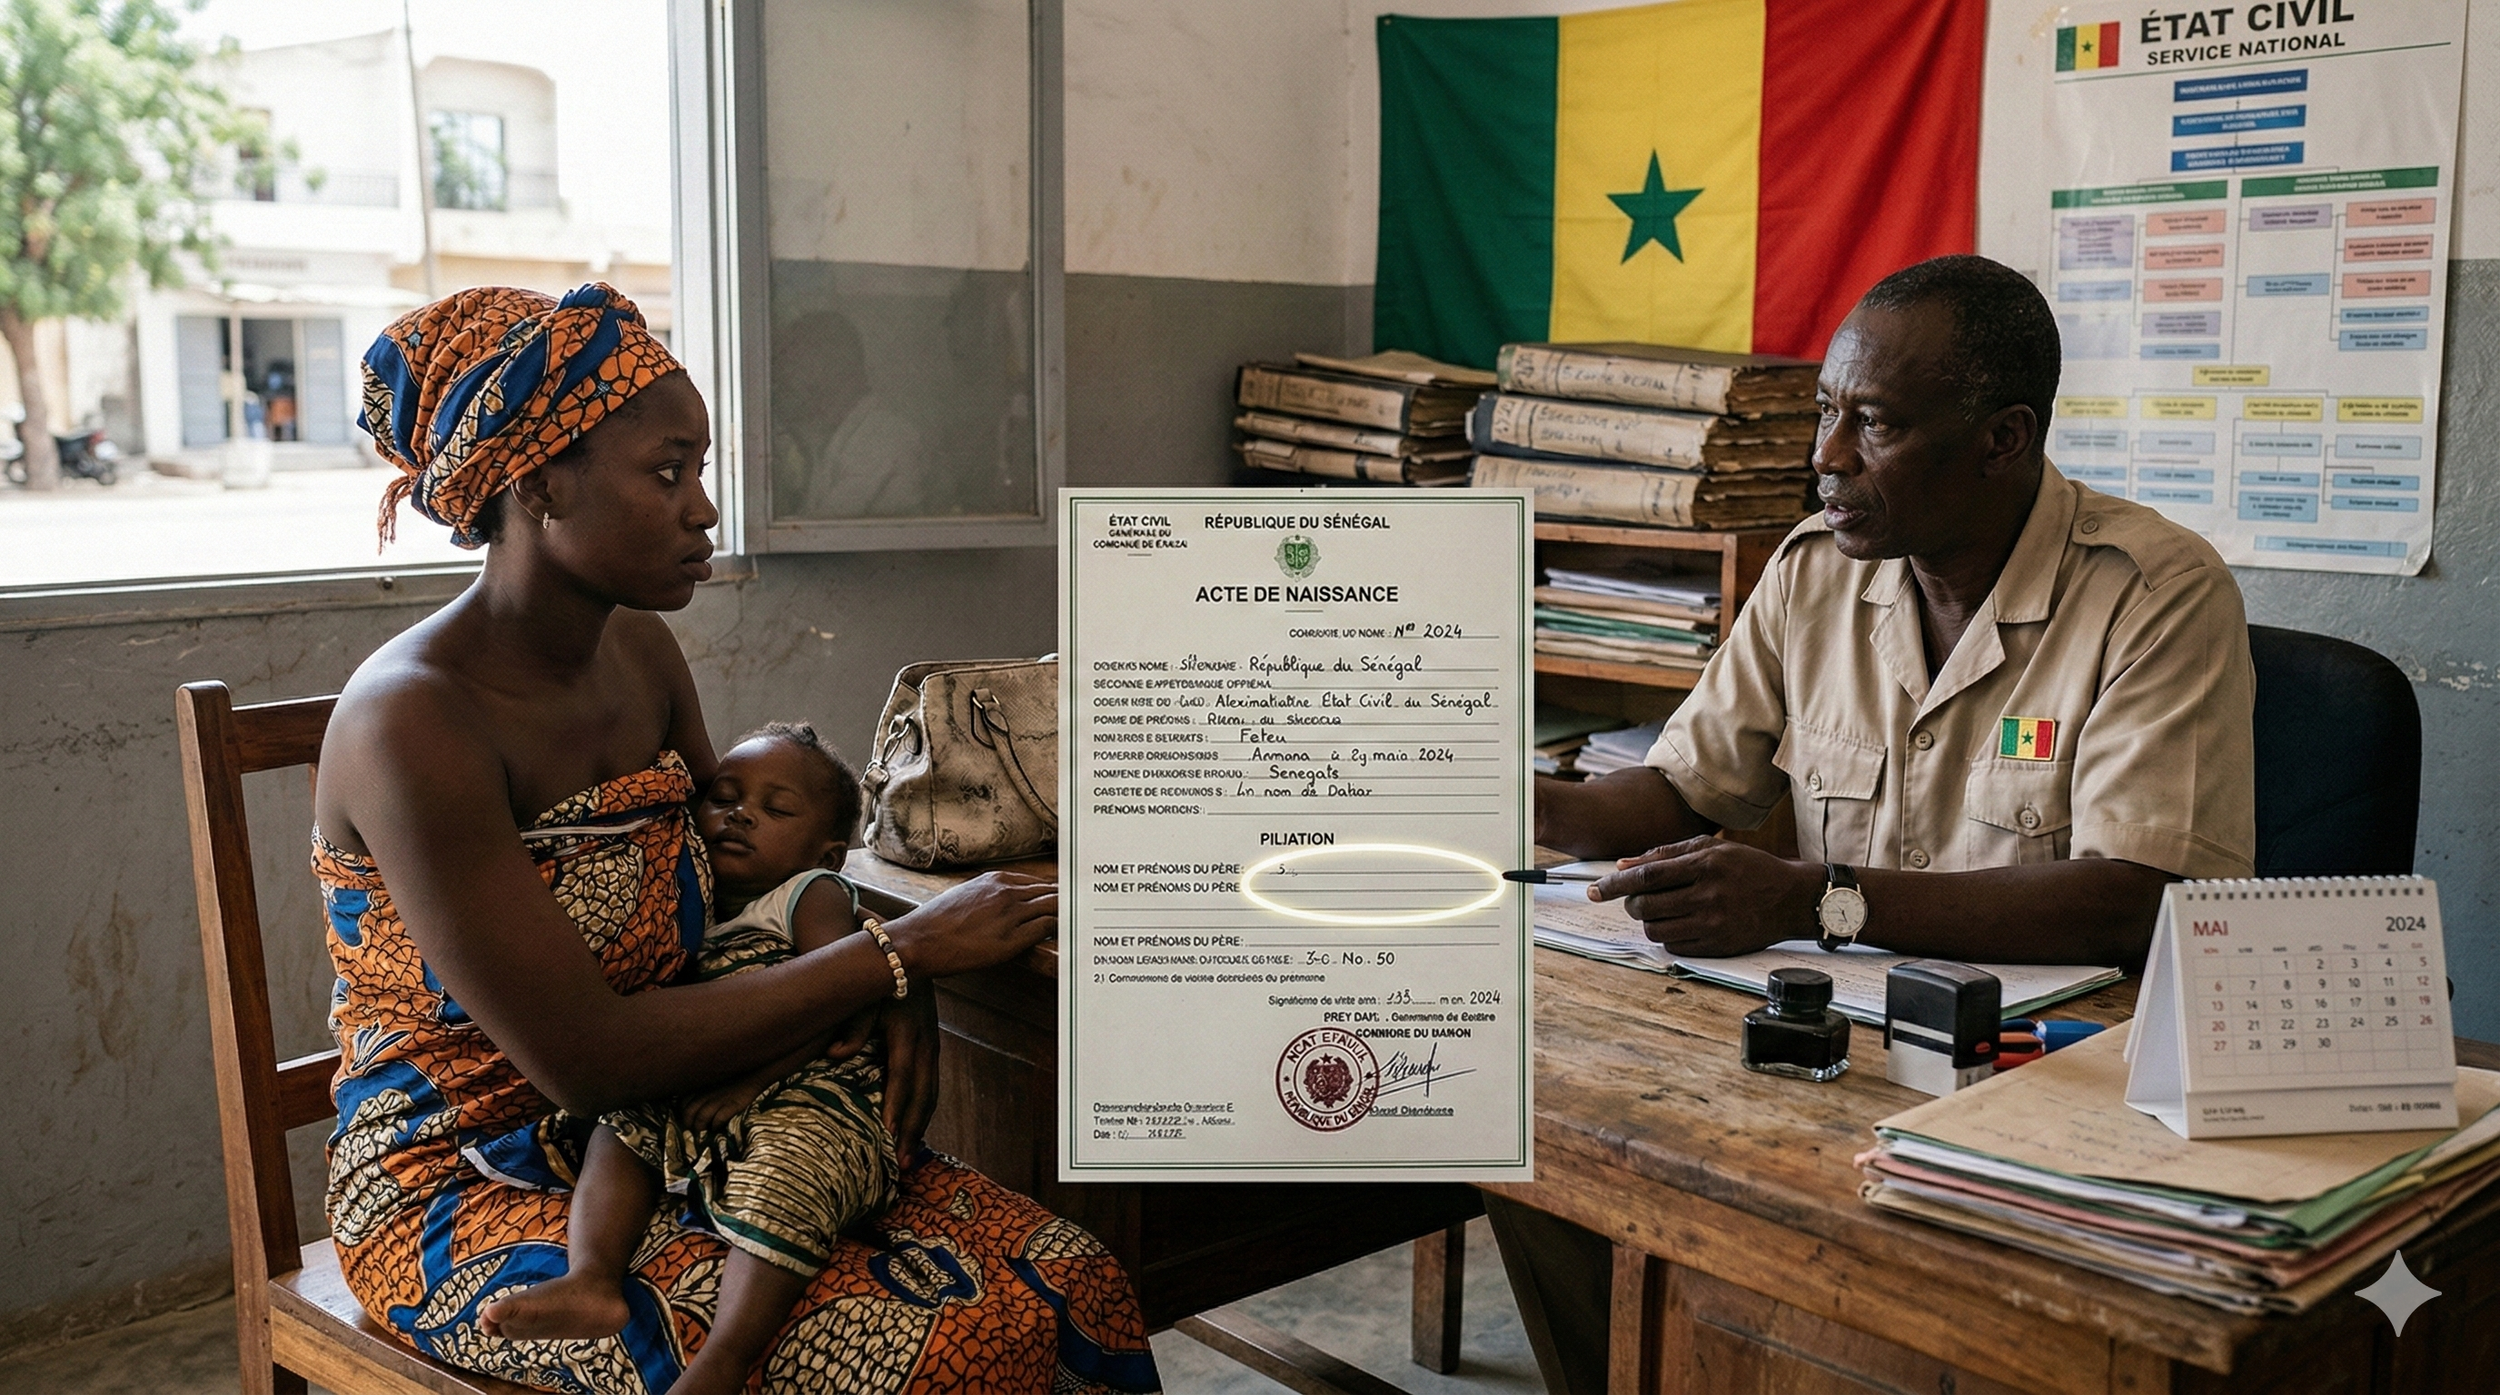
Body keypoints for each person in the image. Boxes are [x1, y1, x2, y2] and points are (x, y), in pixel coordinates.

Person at [313, 283, 1159, 1394]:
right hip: (471, 1173)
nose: (703, 509)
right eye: (666, 474)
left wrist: (878, 976)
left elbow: (736, 883)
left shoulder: (640, 657)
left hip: (690, 1114)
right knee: (943, 1349)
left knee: (1075, 1274)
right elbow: (582, 1058)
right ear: (536, 482)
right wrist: (899, 954)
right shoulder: (412, 720)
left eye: (698, 470)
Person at [1495, 254, 2256, 1394]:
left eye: (1874, 424)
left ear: (2002, 438)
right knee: (1562, 1150)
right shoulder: (1814, 573)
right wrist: (1487, 794)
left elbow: (2136, 893)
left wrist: (1815, 898)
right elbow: (1675, 792)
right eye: (1823, 412)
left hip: (2043, 1073)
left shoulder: (2151, 593)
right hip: (1832, 1052)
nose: (1825, 459)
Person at [477, 722, 904, 1395]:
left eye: (775, 808)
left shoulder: (808, 896)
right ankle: (592, 1276)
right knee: (623, 1120)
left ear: (827, 853)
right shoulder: (692, 898)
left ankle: (723, 1362)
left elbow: (838, 1000)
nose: (739, 813)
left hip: (812, 1091)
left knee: (793, 1173)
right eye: (724, 796)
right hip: (708, 1077)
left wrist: (750, 1084)